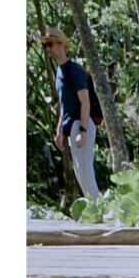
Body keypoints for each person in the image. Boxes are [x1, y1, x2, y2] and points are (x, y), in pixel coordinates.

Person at [42, 25, 100, 203]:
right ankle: (93, 209)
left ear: (61, 45)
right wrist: (60, 130)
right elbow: (64, 105)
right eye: (47, 46)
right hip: (71, 126)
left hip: (81, 124)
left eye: (51, 44)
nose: (49, 49)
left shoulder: (74, 70)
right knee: (79, 171)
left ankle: (99, 210)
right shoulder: (59, 72)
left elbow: (85, 101)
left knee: (85, 170)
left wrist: (82, 130)